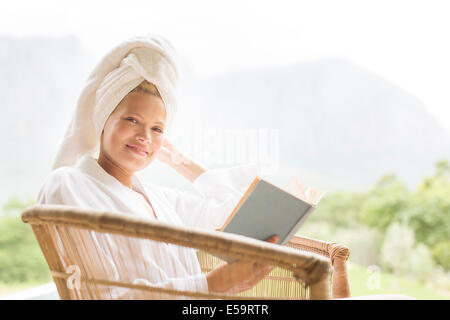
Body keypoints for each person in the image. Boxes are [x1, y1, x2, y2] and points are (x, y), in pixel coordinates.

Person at [37, 34, 278, 298]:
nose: (145, 137)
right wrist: (211, 284)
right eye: (132, 119)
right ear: (103, 119)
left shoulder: (160, 200)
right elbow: (98, 296)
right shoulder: (70, 185)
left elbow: (234, 210)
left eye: (157, 129)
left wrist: (182, 162)